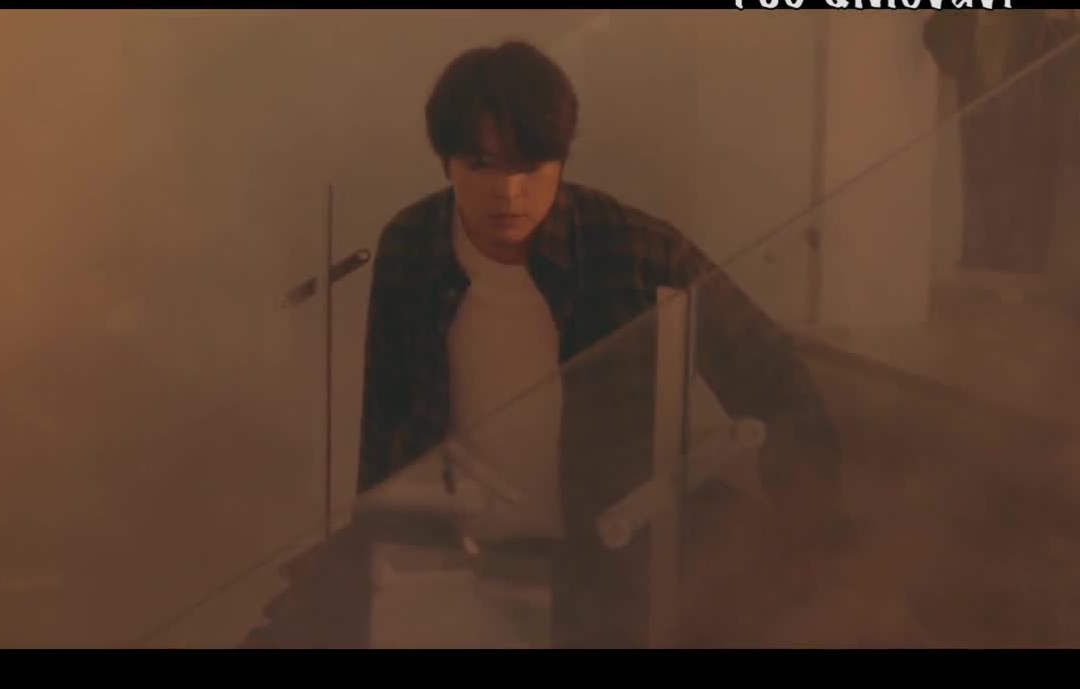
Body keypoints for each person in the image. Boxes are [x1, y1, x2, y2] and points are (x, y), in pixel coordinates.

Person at [244, 38, 848, 649]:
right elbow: (385, 435)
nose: (508, 192)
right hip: (450, 561)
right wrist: (363, 565)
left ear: (560, 161)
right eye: (481, 164)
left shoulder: (635, 249)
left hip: (599, 574)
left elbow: (774, 377)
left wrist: (805, 533)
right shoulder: (413, 245)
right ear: (447, 162)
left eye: (530, 166)